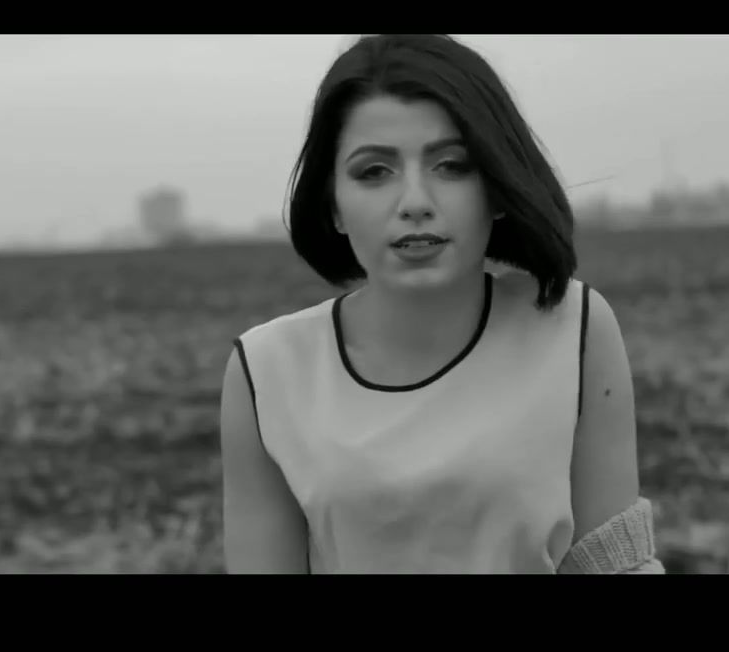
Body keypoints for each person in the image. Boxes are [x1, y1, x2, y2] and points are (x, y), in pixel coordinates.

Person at [219, 34, 664, 574]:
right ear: (332, 205)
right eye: (373, 172)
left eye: (451, 165)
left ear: (497, 186)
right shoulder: (266, 371)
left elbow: (617, 568)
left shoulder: (575, 327)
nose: (415, 202)